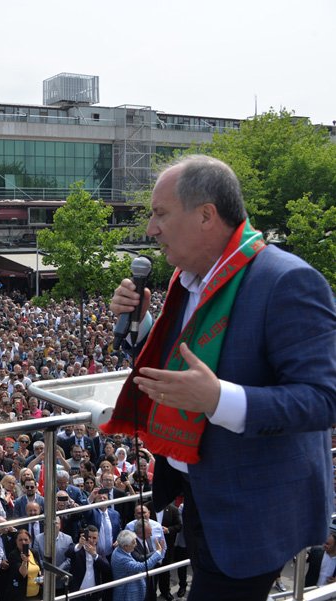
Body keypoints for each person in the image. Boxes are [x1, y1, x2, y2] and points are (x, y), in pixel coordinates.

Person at [105, 155, 336, 598]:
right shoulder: (187, 279)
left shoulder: (288, 282)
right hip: (199, 495)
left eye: (160, 213)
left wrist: (218, 400)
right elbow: (185, 364)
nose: (151, 229)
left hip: (252, 512)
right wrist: (141, 326)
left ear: (206, 215)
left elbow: (323, 399)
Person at [110, 530, 163, 601]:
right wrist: (158, 552)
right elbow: (143, 567)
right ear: (125, 546)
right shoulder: (122, 559)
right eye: (133, 542)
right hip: (127, 595)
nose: (136, 544)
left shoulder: (120, 549)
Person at [67, 526, 112, 601]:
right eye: (89, 537)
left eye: (94, 538)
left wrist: (94, 555)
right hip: (78, 593)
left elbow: (107, 568)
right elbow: (68, 553)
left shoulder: (99, 550)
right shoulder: (77, 548)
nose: (91, 540)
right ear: (85, 536)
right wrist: (79, 545)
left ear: (98, 538)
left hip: (93, 594)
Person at [5, 528, 41, 600]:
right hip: (21, 595)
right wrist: (24, 561)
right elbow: (23, 574)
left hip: (36, 594)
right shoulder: (13, 555)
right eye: (20, 540)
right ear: (16, 541)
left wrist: (38, 581)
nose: (23, 542)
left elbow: (39, 571)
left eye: (26, 540)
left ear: (30, 541)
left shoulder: (34, 553)